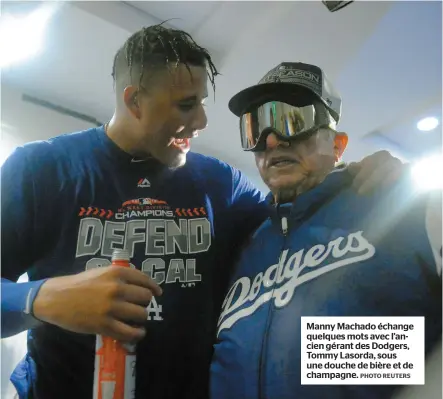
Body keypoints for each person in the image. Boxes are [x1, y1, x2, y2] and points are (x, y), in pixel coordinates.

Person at [1, 24, 405, 399]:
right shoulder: (40, 171)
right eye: (186, 105)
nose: (202, 121)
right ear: (135, 101)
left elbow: (296, 214)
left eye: (202, 104)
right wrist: (40, 299)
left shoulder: (221, 185)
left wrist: (355, 176)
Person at [210, 62, 442, 399]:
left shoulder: (406, 207)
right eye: (255, 127)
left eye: (292, 120)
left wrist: (323, 353)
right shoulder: (243, 242)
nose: (272, 140)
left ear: (337, 145)